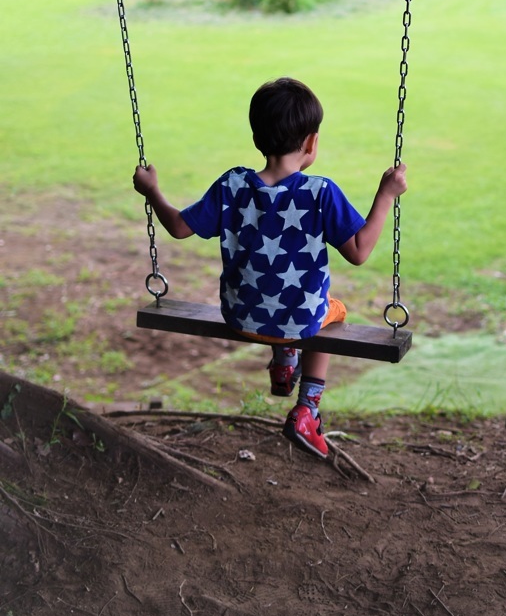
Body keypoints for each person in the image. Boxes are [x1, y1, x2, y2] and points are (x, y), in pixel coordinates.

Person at [133, 76, 407, 460]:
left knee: (285, 298)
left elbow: (178, 227)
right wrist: (386, 194)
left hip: (241, 315)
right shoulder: (320, 192)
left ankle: (283, 364)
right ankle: (307, 408)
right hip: (295, 320)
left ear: (257, 139)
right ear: (311, 143)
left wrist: (152, 191)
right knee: (333, 312)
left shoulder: (232, 184)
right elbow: (360, 251)